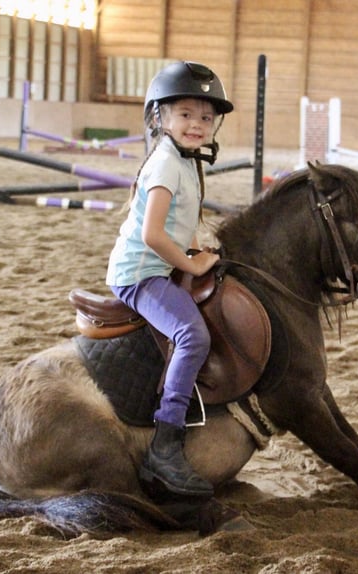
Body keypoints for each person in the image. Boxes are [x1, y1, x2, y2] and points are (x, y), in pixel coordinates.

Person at [106, 61, 234, 499]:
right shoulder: (164, 165)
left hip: (163, 262)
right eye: (185, 114)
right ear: (160, 118)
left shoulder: (188, 161)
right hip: (140, 273)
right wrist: (192, 266)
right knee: (192, 335)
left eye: (205, 117)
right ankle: (166, 443)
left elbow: (183, 223)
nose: (197, 124)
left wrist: (196, 251)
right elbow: (153, 235)